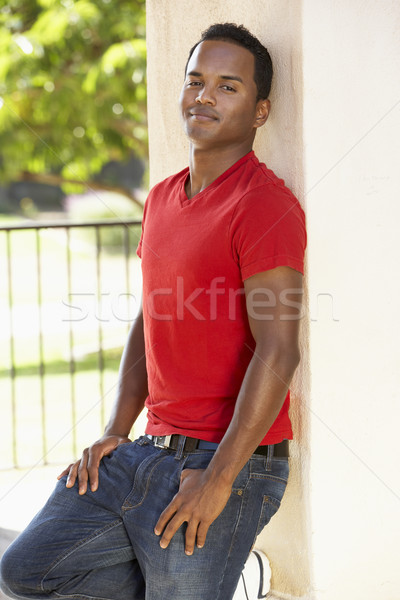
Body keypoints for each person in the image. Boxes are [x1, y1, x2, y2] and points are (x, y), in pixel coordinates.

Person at [0, 23, 306, 600]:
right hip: (148, 451)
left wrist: (218, 480)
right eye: (195, 81)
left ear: (260, 111)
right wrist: (116, 430)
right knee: (26, 571)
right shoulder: (163, 198)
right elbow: (151, 318)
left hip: (231, 464)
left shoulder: (264, 205)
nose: (204, 96)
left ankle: (229, 574)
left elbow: (278, 349)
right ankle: (221, 578)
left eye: (227, 86)